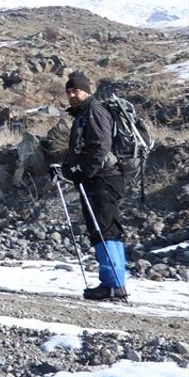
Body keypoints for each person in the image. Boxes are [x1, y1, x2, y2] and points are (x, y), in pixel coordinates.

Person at [60, 73, 128, 301]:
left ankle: (113, 285)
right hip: (98, 178)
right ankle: (114, 282)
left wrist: (84, 172)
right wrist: (66, 169)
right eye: (68, 92)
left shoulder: (94, 110)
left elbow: (100, 145)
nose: (71, 95)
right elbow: (82, 148)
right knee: (105, 229)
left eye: (75, 90)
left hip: (103, 178)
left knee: (104, 229)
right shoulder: (84, 113)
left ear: (86, 91)